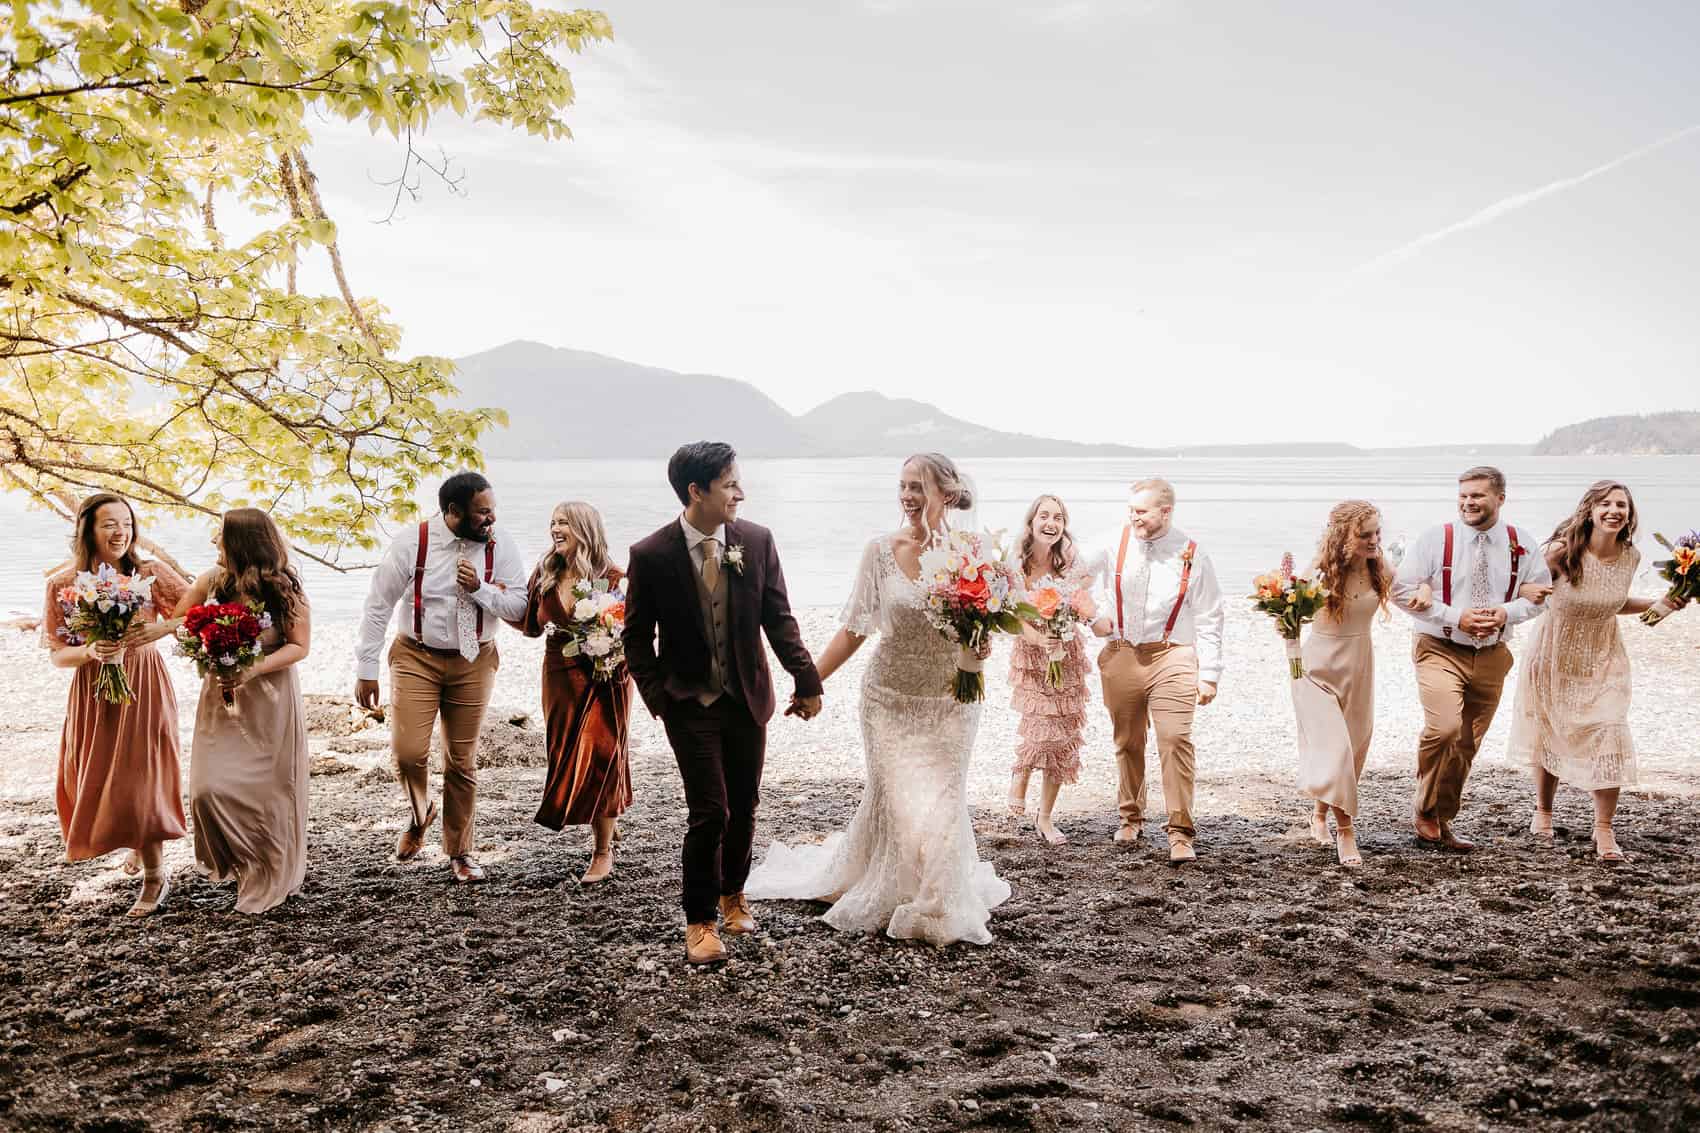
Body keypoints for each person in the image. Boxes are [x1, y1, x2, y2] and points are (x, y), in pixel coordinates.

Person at [745, 452, 1011, 945]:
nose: (908, 497)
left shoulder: (976, 553)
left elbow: (987, 623)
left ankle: (938, 901)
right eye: (903, 486)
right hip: (888, 697)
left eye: (918, 487)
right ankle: (890, 886)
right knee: (897, 799)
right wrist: (810, 681)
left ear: (947, 495)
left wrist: (982, 641)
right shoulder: (880, 551)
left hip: (953, 698)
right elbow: (854, 629)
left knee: (943, 798)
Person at [622, 442, 823, 965]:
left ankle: (734, 893)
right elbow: (637, 636)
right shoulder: (651, 554)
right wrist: (658, 698)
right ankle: (700, 922)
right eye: (730, 483)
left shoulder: (756, 541)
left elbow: (778, 618)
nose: (741, 492)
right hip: (688, 703)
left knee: (744, 804)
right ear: (697, 491)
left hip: (746, 698)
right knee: (709, 810)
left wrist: (807, 678)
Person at [354, 472, 528, 883]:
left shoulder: (501, 544)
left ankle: (460, 851)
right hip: (416, 656)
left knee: (461, 760)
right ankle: (420, 814)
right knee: (408, 753)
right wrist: (367, 667)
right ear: (453, 512)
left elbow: (519, 606)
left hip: (475, 660)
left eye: (492, 510)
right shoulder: (413, 541)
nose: (491, 519)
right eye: (482, 512)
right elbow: (378, 604)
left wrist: (482, 588)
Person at [1508, 480, 1682, 863]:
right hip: (1553, 652)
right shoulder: (1560, 551)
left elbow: (1611, 603)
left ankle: (1603, 829)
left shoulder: (1631, 556)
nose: (1614, 510)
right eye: (1605, 504)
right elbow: (1522, 591)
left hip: (1603, 655)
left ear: (1630, 513)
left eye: (1621, 504)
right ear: (1589, 509)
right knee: (1548, 730)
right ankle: (1544, 810)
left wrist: (1663, 602)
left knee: (1610, 732)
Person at [42, 492, 189, 916]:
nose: (120, 531)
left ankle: (156, 874)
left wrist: (157, 631)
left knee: (142, 774)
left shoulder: (150, 573)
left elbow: (194, 612)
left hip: (143, 683)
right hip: (94, 688)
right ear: (88, 529)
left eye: (125, 522)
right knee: (101, 775)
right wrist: (91, 651)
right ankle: (137, 844)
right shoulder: (62, 584)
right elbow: (57, 654)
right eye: (109, 523)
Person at [1392, 466, 1552, 852]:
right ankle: (1425, 808)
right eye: (1463, 496)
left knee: (1466, 743)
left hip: (1493, 654)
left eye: (1478, 496)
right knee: (1444, 728)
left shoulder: (1521, 542)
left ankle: (1438, 818)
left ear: (1500, 498)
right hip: (1439, 647)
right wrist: (1453, 616)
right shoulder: (1436, 539)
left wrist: (1506, 613)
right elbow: (1400, 590)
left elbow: (1540, 595)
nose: (1469, 503)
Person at [1083, 477, 1225, 863]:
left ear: (1166, 511)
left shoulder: (1192, 553)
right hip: (1121, 652)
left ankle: (1180, 832)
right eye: (1130, 510)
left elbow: (1211, 615)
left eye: (1141, 511)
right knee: (1127, 741)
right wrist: (1093, 615)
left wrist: (1210, 673)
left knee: (1175, 739)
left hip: (1174, 655)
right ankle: (1131, 816)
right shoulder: (1114, 543)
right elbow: (1071, 575)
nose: (1134, 517)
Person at [177, 508, 311, 913]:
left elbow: (299, 646)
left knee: (269, 793)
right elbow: (180, 622)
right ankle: (237, 861)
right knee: (206, 791)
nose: (215, 542)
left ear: (241, 542)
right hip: (220, 697)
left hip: (270, 697)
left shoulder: (284, 587)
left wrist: (251, 669)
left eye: (220, 536)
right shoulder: (211, 582)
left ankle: (268, 872)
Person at [513, 501, 633, 885]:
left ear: (585, 528)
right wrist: (485, 595)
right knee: (566, 753)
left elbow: (635, 628)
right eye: (552, 522)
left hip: (607, 675)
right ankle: (604, 825)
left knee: (603, 756)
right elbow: (530, 625)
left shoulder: (614, 578)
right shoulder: (547, 573)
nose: (554, 528)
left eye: (563, 522)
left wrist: (614, 647)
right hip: (559, 675)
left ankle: (602, 851)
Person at [1291, 501, 1394, 868]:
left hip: (1359, 665)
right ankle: (1345, 830)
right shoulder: (1320, 569)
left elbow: (1410, 597)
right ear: (1342, 537)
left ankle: (1319, 814)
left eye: (1377, 532)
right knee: (1334, 749)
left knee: (1351, 750)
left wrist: (1428, 597)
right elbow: (1289, 614)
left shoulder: (1379, 566)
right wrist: (1292, 661)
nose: (1374, 540)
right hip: (1318, 668)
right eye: (1364, 534)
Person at [1006, 494, 1093, 845]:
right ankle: (1022, 773)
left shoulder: (1069, 558)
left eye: (1058, 517)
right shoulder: (1016, 562)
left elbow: (1082, 595)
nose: (1051, 523)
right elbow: (1012, 615)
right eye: (1044, 516)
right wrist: (1041, 641)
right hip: (1031, 651)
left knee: (1063, 735)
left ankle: (1045, 817)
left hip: (1066, 652)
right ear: (1032, 522)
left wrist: (1069, 618)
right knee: (1040, 728)